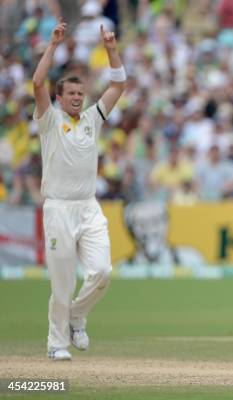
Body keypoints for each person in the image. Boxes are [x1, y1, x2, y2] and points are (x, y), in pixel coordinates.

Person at [32, 22, 125, 361]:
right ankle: (56, 343)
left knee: (102, 272)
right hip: (58, 209)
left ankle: (76, 315)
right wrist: (54, 45)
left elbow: (119, 85)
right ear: (60, 98)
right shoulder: (50, 121)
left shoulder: (92, 119)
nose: (76, 98)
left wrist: (111, 49)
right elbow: (37, 82)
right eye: (70, 94)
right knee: (61, 284)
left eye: (79, 94)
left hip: (88, 207)